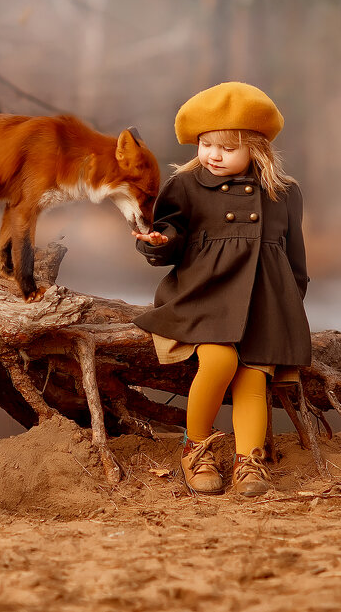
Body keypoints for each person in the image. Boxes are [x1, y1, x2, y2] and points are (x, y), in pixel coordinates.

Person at [133, 82, 311, 498]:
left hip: (264, 304)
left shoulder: (283, 194)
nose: (213, 155)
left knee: (253, 376)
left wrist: (289, 311)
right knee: (219, 361)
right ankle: (195, 446)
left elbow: (296, 262)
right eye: (206, 144)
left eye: (227, 148)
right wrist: (157, 242)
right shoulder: (187, 186)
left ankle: (249, 461)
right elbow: (172, 234)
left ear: (257, 149)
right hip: (203, 297)